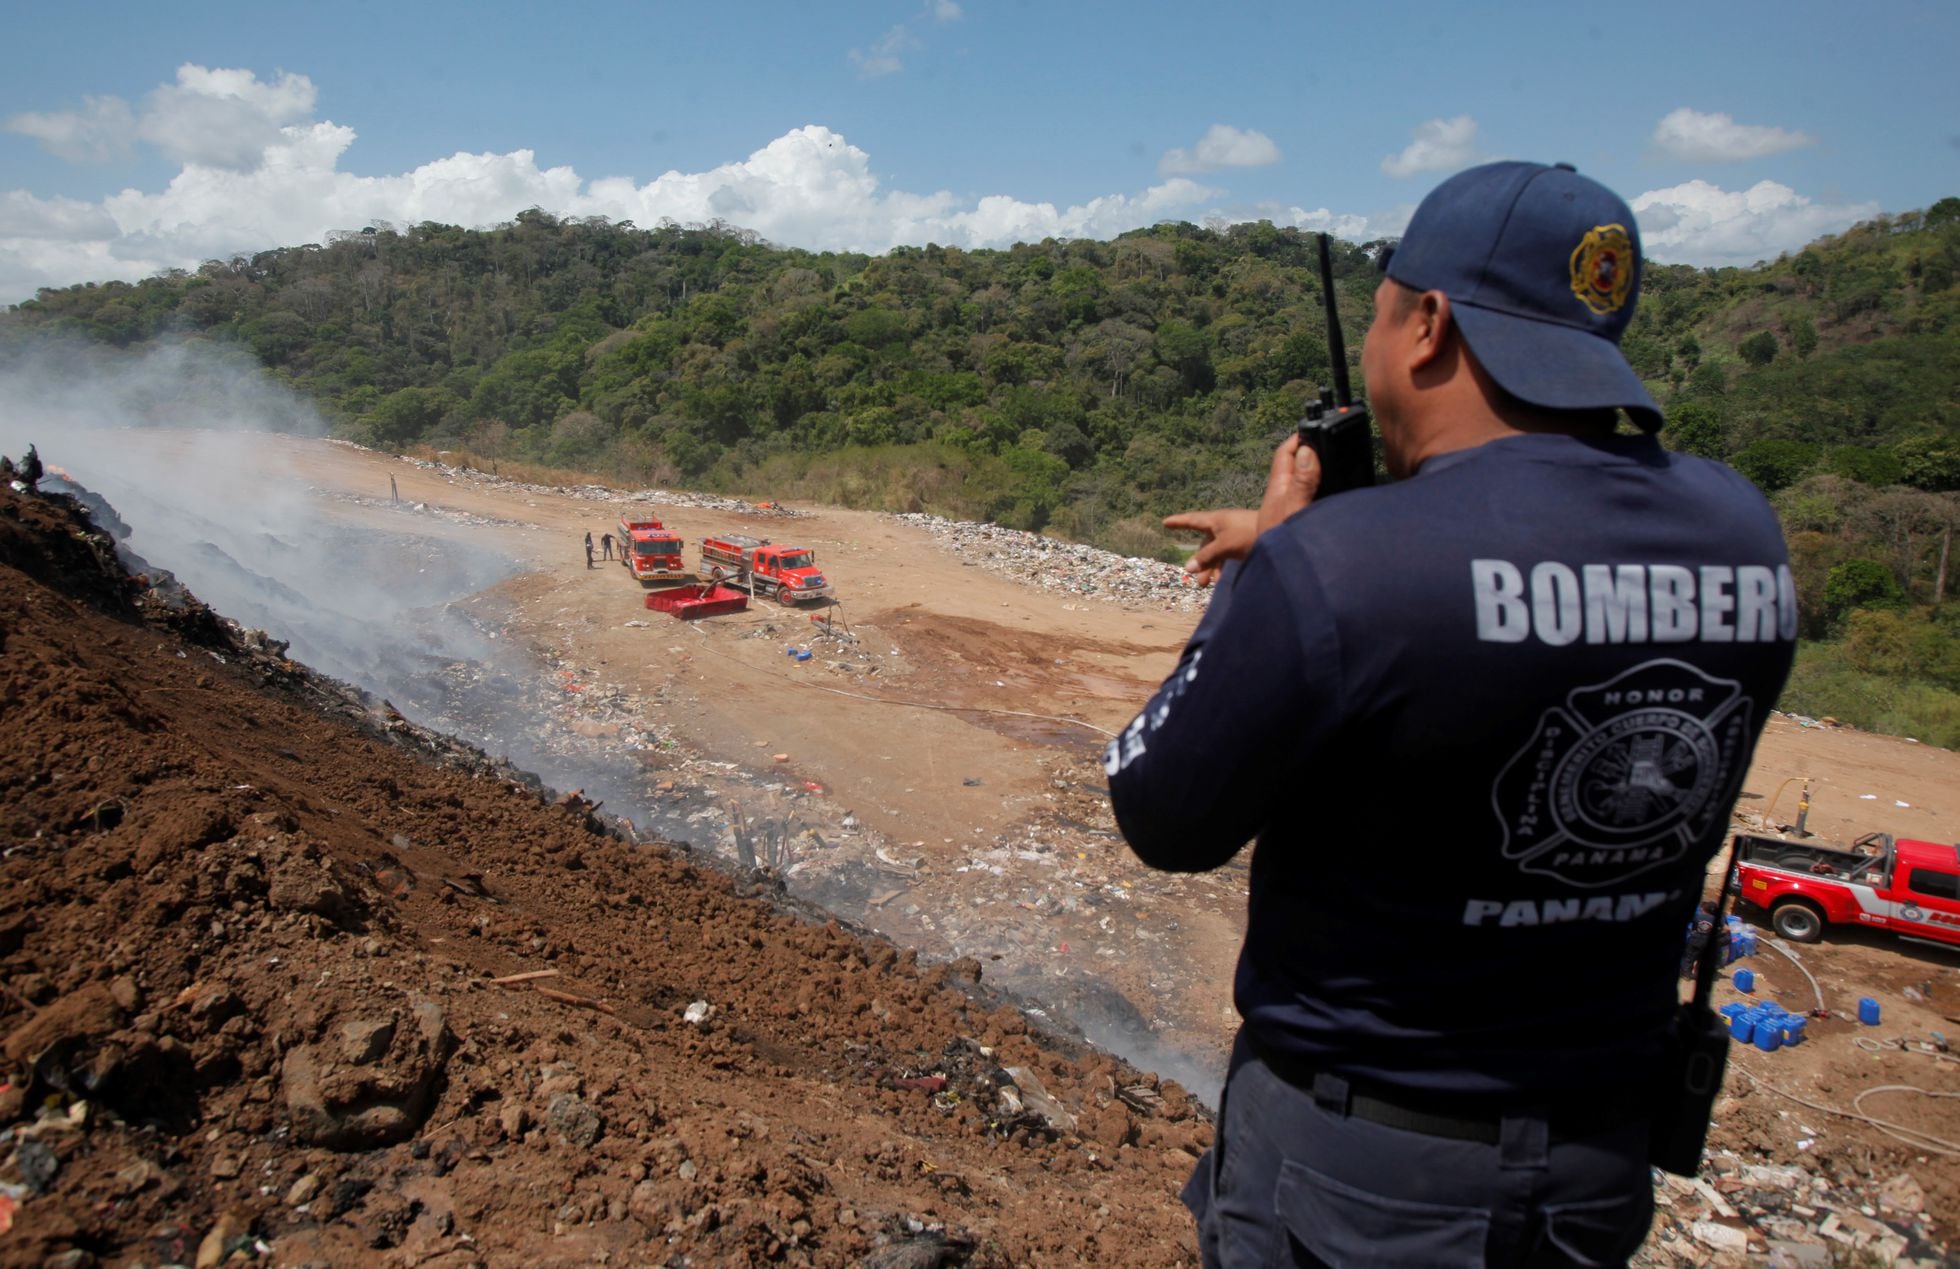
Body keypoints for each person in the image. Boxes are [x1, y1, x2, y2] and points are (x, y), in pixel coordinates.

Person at [1105, 162, 1796, 1267]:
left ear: (1425, 327)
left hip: (1362, 1170)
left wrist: (1276, 563)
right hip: (1595, 1169)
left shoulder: (1339, 567)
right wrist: (1325, 550)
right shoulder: (1742, 532)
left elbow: (1162, 812)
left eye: (1382, 315)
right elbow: (1512, 588)